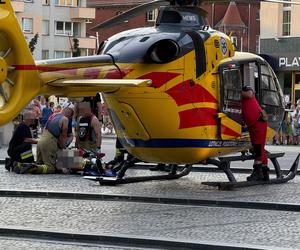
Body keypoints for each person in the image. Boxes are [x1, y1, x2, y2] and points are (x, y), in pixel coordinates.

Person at [14, 107, 74, 174]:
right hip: (49, 142)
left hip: (41, 141)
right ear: (69, 115)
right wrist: (63, 146)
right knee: (51, 168)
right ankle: (29, 168)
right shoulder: (65, 119)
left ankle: (21, 165)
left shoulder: (53, 115)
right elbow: (63, 135)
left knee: (39, 164)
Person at [242, 85, 269, 181]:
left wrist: (237, 92)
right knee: (260, 147)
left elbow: (249, 94)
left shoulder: (245, 88)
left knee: (258, 147)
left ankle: (257, 172)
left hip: (258, 122)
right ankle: (264, 172)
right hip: (253, 125)